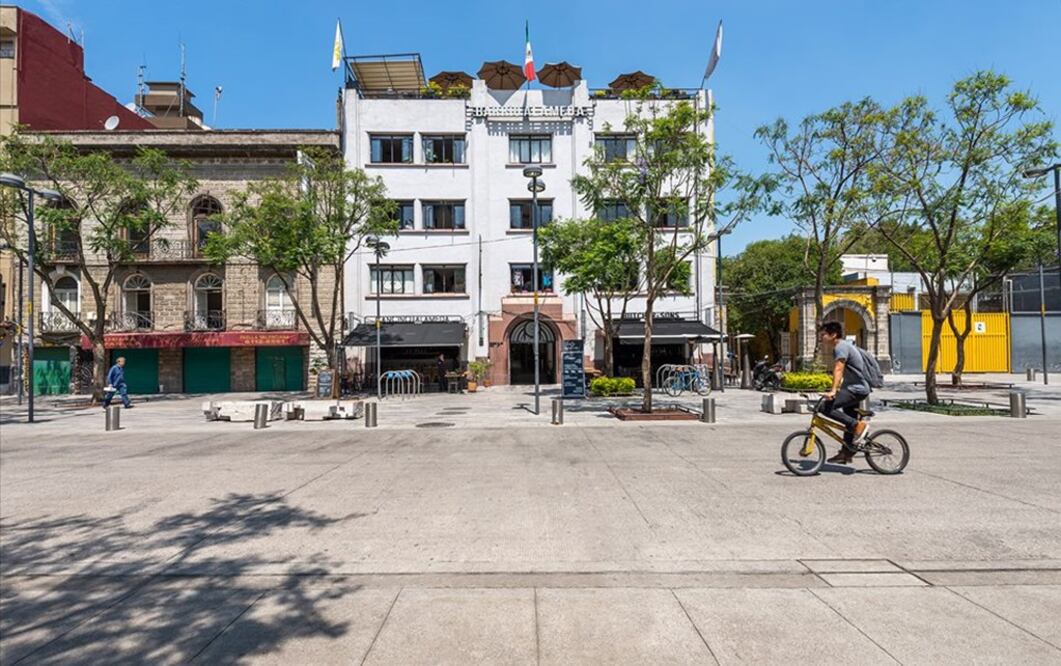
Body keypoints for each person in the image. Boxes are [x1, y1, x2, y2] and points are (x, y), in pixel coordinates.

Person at [818, 322, 869, 464]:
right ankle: (846, 453)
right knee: (848, 421)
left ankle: (859, 425)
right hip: (853, 388)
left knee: (825, 408)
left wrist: (833, 391)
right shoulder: (844, 346)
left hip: (856, 389)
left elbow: (839, 369)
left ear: (833, 335)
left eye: (823, 335)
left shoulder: (840, 347)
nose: (821, 338)